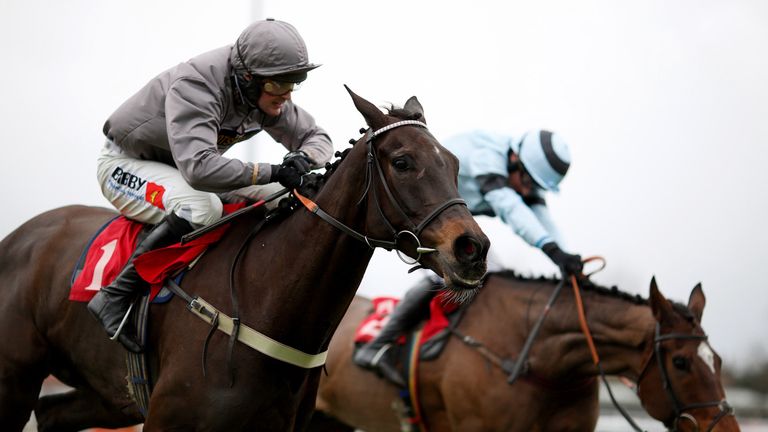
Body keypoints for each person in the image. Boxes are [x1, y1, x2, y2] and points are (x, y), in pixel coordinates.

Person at [87, 18, 333, 353]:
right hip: (127, 164)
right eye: (279, 84)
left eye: (296, 81)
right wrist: (275, 170)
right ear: (248, 79)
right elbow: (199, 169)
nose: (287, 94)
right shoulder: (197, 85)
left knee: (280, 196)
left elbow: (318, 138)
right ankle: (114, 295)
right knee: (202, 207)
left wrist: (303, 158)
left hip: (183, 169)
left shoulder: (264, 91)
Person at [353, 129, 582, 386]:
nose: (528, 191)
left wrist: (567, 258)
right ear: (515, 160)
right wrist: (553, 251)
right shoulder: (488, 158)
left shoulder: (519, 168)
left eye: (535, 187)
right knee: (449, 272)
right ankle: (377, 344)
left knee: (494, 274)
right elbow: (510, 208)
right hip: (425, 215)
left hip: (453, 218)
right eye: (528, 183)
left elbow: (541, 215)